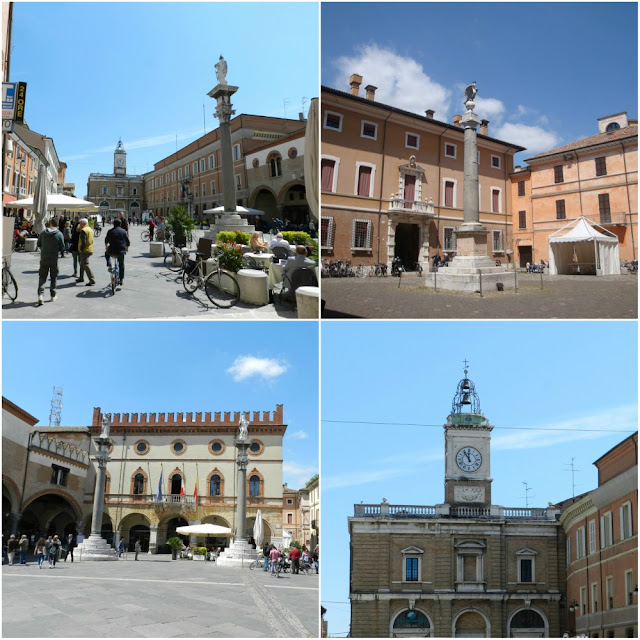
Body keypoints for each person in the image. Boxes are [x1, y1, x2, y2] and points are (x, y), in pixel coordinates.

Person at [37, 217, 65, 305]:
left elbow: (38, 244)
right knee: (53, 276)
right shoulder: (59, 234)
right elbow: (62, 247)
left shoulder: (43, 233)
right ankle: (53, 295)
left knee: (42, 276)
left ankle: (40, 295)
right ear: (57, 224)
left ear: (50, 223)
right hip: (54, 258)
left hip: (44, 257)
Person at [105, 218, 130, 286]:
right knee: (121, 264)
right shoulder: (123, 231)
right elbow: (127, 241)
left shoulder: (110, 231)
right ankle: (121, 279)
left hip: (112, 251)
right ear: (120, 224)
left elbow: (106, 241)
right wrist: (126, 248)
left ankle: (109, 264)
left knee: (106, 253)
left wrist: (106, 247)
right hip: (120, 251)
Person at [76, 218, 96, 286]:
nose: (79, 224)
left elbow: (83, 241)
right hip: (89, 248)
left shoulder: (84, 230)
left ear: (83, 223)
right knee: (82, 263)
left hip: (85, 250)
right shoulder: (90, 229)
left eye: (80, 223)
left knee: (85, 264)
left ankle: (92, 279)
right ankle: (81, 277)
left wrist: (81, 249)